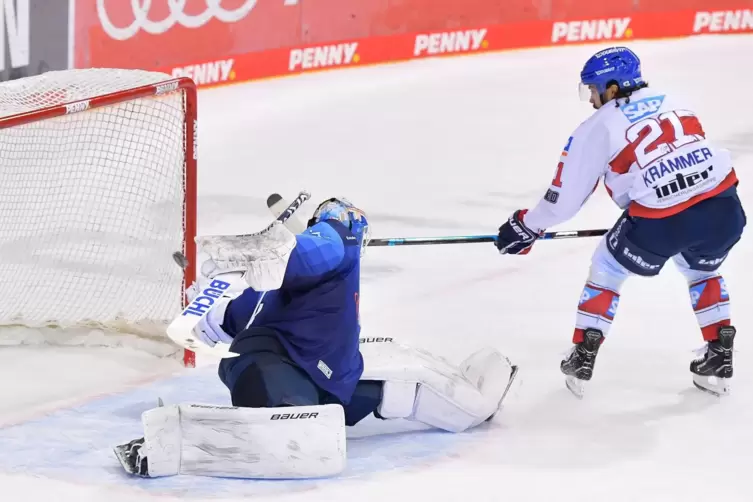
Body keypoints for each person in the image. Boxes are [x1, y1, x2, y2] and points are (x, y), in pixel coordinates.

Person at [115, 197, 518, 479]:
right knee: (308, 440)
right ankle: (170, 441)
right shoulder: (337, 239)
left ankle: (468, 403)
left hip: (309, 371)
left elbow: (215, 326)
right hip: (274, 367)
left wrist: (211, 295)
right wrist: (249, 259)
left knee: (387, 391)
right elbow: (307, 255)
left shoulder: (287, 282)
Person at [494, 47, 745, 398]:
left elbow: (564, 200)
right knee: (701, 270)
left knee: (607, 268)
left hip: (661, 220)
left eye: (593, 90)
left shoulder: (596, 127)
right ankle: (719, 353)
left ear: (612, 88)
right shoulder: (677, 99)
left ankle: (583, 354)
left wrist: (526, 226)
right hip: (725, 209)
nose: (592, 99)